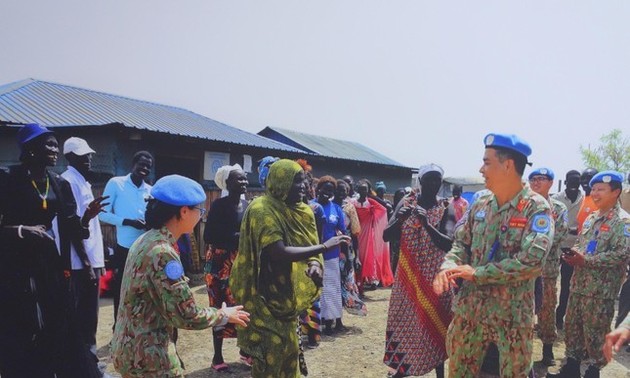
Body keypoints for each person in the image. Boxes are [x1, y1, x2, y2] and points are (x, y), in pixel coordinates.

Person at [433, 133, 554, 377]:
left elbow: (531, 263)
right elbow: (461, 244)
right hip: (471, 313)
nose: (481, 168)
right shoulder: (480, 202)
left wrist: (476, 273)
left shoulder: (536, 207)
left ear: (508, 165)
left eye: (487, 162)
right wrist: (448, 265)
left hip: (511, 319)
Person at [111, 174, 250, 377]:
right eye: (198, 210)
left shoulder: (145, 240)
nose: (201, 216)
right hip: (149, 359)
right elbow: (187, 315)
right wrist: (224, 315)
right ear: (184, 211)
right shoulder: (163, 253)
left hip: (130, 348)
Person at [0, 124, 106, 377]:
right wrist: (20, 230)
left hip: (48, 262)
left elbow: (72, 228)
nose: (54, 149)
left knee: (57, 320)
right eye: (48, 144)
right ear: (30, 149)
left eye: (55, 145)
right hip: (14, 263)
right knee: (22, 321)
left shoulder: (58, 183)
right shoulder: (8, 178)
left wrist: (87, 218)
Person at [231, 159, 350, 378]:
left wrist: (315, 264)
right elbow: (277, 252)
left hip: (288, 300)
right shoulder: (262, 209)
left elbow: (308, 246)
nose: (303, 186)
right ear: (280, 182)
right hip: (263, 296)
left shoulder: (302, 211)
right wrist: (325, 246)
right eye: (296, 181)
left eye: (304, 181)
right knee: (271, 359)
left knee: (290, 355)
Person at [548, 171, 630, 378]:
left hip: (600, 292)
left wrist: (586, 260)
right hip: (579, 286)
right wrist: (575, 254)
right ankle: (571, 368)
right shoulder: (591, 218)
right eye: (593, 189)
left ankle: (593, 371)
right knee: (573, 328)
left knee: (596, 334)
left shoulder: (623, 222)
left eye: (600, 189)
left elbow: (622, 254)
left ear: (616, 192)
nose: (594, 193)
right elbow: (583, 245)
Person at [384, 164, 453, 378]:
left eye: (437, 180)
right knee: (405, 323)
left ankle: (439, 374)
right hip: (408, 278)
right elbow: (387, 235)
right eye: (429, 180)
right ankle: (402, 370)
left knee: (437, 323)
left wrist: (426, 224)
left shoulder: (445, 207)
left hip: (435, 278)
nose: (433, 184)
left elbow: (448, 243)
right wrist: (400, 219)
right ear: (420, 182)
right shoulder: (406, 203)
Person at [61, 137, 109, 359]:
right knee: (85, 316)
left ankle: (87, 363)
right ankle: (86, 364)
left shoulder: (82, 181)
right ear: (70, 157)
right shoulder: (68, 181)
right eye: (83, 155)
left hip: (91, 259)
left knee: (91, 316)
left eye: (89, 154)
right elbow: (72, 227)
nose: (88, 158)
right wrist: (87, 263)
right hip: (80, 262)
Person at [204, 164, 251, 371]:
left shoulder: (248, 205)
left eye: (244, 178)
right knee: (220, 306)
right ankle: (217, 357)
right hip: (219, 262)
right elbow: (208, 237)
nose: (243, 182)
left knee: (242, 304)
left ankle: (245, 351)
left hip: (240, 261)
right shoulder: (218, 205)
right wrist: (235, 238)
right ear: (226, 183)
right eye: (238, 179)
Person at [99, 150, 153, 330]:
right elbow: (101, 214)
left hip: (145, 247)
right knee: (122, 288)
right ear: (133, 164)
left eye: (148, 166)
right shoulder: (116, 183)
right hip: (125, 247)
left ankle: (137, 327)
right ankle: (119, 326)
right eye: (142, 164)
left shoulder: (150, 190)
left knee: (143, 289)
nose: (144, 168)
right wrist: (126, 221)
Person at [527, 167, 569, 366]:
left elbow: (559, 234)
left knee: (547, 310)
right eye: (533, 179)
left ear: (551, 183)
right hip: (524, 270)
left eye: (541, 179)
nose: (536, 182)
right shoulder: (522, 205)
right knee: (524, 310)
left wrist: (532, 244)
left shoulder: (559, 208)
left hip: (548, 271)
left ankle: (547, 350)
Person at [313, 176, 347, 335]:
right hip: (314, 255)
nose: (327, 193)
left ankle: (330, 323)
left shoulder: (336, 209)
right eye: (325, 189)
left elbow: (343, 232)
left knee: (331, 289)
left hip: (332, 255)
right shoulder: (310, 206)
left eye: (331, 191)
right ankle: (316, 324)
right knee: (317, 289)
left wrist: (345, 255)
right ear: (318, 189)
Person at [552, 169, 583, 330]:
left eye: (577, 181)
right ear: (565, 182)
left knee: (567, 285)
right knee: (549, 283)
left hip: (573, 248)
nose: (574, 184)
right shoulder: (556, 199)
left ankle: (560, 316)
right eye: (571, 181)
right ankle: (547, 318)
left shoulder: (584, 200)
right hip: (557, 245)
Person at [352, 178, 394, 291]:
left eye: (365, 190)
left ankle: (362, 284)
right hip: (356, 234)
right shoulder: (353, 203)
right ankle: (356, 284)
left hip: (368, 234)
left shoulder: (370, 202)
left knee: (366, 258)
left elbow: (384, 209)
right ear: (358, 190)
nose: (363, 192)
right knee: (356, 257)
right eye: (361, 190)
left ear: (368, 191)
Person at [334, 179, 367, 316]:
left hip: (347, 250)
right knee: (333, 282)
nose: (342, 193)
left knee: (347, 281)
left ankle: (342, 315)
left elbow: (355, 234)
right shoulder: (327, 204)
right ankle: (333, 316)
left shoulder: (349, 207)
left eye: (345, 191)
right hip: (331, 250)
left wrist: (357, 257)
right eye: (340, 190)